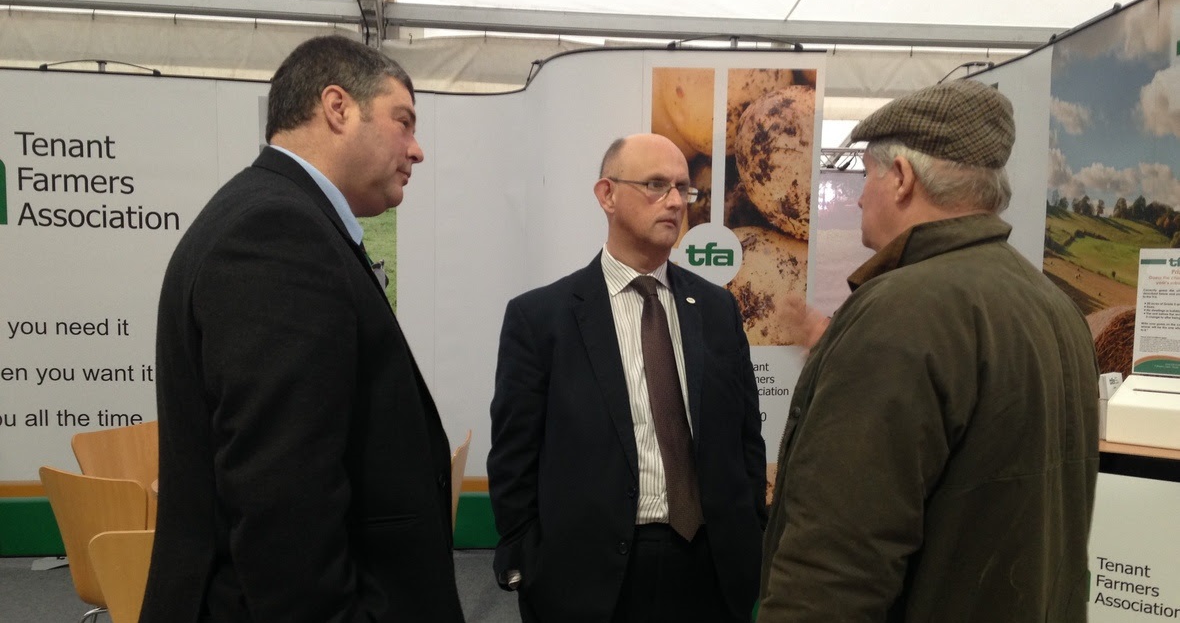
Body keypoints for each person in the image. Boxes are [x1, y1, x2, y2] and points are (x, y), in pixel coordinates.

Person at [140, 35, 465, 623]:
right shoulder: (275, 232)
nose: (418, 150)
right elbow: (282, 501)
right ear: (337, 108)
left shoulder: (276, 216)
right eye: (404, 121)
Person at [758, 79, 1099, 622]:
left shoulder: (900, 313)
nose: (859, 195)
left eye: (867, 175)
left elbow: (836, 566)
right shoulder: (1053, 307)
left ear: (900, 178)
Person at [488, 133, 767, 623]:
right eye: (656, 185)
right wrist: (527, 563)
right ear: (607, 195)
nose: (677, 201)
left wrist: (752, 536)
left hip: (711, 569)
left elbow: (746, 437)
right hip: (589, 578)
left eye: (684, 188)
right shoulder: (542, 319)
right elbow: (515, 456)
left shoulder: (718, 309)